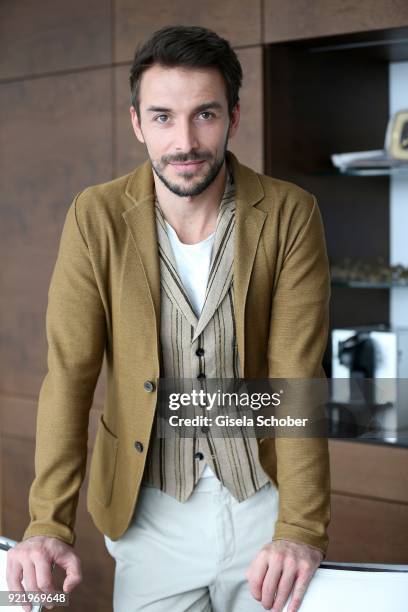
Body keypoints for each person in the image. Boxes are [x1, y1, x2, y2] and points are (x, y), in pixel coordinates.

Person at [7, 25, 331, 612]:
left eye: (204, 115)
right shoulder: (95, 216)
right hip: (147, 513)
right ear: (137, 122)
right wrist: (47, 523)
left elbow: (296, 378)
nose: (184, 140)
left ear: (233, 117)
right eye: (162, 117)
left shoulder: (289, 213)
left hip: (264, 504)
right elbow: (69, 377)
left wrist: (301, 528)